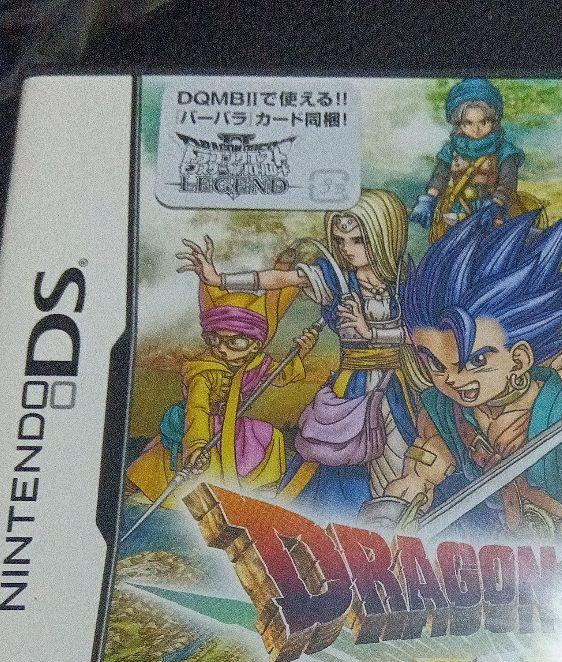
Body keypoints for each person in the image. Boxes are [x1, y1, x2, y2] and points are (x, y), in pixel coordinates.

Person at [360, 211, 562, 538]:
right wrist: (397, 508)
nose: (452, 379)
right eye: (436, 365)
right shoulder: (447, 412)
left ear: (519, 359)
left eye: (476, 361)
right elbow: (420, 474)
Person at [177, 189, 424, 521]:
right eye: (341, 241)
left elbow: (419, 336)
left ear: (384, 235)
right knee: (336, 459)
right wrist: (219, 279)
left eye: (358, 240)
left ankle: (396, 527)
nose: (347, 249)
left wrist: (372, 333)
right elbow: (280, 278)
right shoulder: (335, 278)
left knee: (400, 460)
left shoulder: (405, 281)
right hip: (351, 387)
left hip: (396, 387)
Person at [125, 277, 317, 504]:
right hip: (201, 426)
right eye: (215, 340)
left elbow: (280, 375)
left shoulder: (255, 363)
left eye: (234, 342)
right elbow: (197, 409)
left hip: (232, 424)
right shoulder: (204, 371)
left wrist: (299, 354)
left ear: (255, 345)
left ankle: (259, 490)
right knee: (204, 461)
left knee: (271, 436)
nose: (223, 350)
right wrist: (197, 445)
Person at [409, 78, 533, 242]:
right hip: (458, 211)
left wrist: (496, 205)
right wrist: (428, 200)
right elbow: (440, 176)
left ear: (494, 120)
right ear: (458, 123)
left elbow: (508, 182)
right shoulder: (451, 149)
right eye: (468, 123)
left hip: (494, 210)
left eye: (483, 122)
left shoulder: (504, 150)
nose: (476, 129)